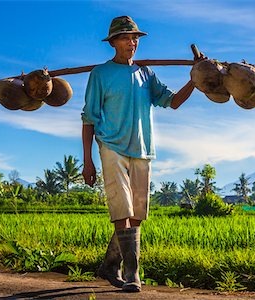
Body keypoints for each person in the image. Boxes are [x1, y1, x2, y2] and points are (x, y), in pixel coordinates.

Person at [81, 16, 202, 293]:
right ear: (113, 42)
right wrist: (88, 161)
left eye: (135, 38)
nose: (132, 42)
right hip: (111, 145)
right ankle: (132, 274)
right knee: (121, 209)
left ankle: (110, 264)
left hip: (142, 149)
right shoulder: (100, 74)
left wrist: (195, 78)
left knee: (136, 214)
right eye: (125, 37)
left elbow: (172, 102)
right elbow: (88, 119)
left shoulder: (146, 74)